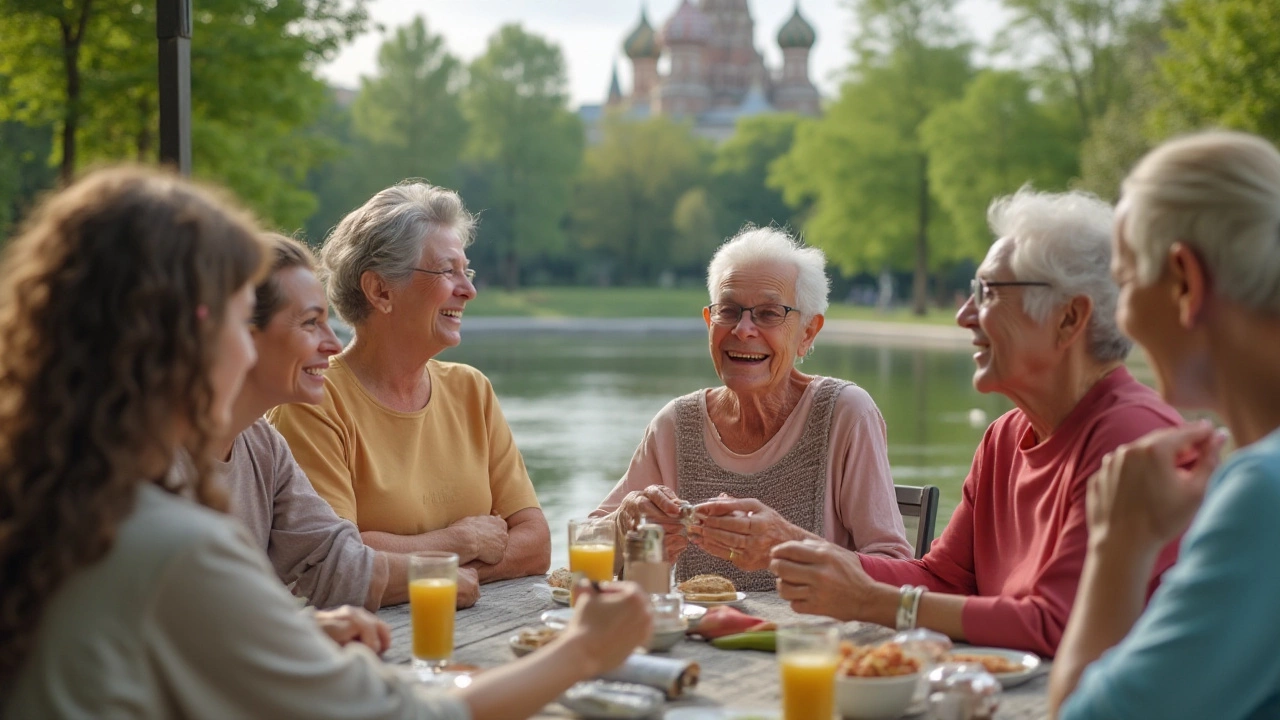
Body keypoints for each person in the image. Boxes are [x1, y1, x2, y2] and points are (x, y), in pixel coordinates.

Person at [0, 167, 651, 719]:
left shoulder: (67, 498)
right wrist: (586, 652)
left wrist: (294, 626)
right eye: (236, 320)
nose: (246, 344)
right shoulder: (170, 544)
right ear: (183, 339)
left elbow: (334, 563)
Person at [770, 189, 1184, 657]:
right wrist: (798, 547)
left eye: (988, 293)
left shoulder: (1130, 436)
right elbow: (942, 580)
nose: (964, 315)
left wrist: (873, 601)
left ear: (1070, 317)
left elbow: (1056, 624)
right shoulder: (1005, 436)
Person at [1049, 131, 1280, 718]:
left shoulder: (1263, 491)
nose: (1119, 320)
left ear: (1184, 281)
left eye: (1124, 283)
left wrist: (1119, 544)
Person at [591, 226, 912, 592]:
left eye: (769, 313)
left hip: (810, 645)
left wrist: (783, 543)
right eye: (728, 311)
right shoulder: (676, 425)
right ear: (709, 323)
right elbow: (585, 544)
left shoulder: (845, 414)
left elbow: (897, 572)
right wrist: (625, 521)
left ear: (808, 333)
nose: (743, 330)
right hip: (697, 645)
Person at [269, 183, 549, 583]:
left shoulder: (472, 391)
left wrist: (409, 563)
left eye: (465, 271)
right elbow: (336, 557)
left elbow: (535, 544)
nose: (468, 290)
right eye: (447, 271)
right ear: (381, 290)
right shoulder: (311, 401)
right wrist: (462, 541)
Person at [221, 233, 478, 611]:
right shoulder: (150, 460)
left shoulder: (263, 446)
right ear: (242, 335)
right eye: (311, 323)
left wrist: (436, 574)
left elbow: (332, 560)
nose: (333, 344)